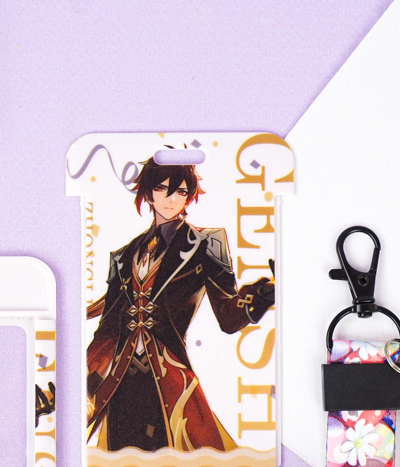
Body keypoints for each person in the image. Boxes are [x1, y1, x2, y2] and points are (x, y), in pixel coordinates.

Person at [86, 157, 275, 452]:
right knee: (122, 464)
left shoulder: (206, 243)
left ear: (189, 197)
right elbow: (106, 333)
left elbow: (227, 316)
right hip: (121, 383)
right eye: (162, 189)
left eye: (181, 192)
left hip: (170, 381)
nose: (171, 199)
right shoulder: (123, 257)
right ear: (148, 193)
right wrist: (76, 386)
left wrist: (263, 295)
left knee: (184, 461)